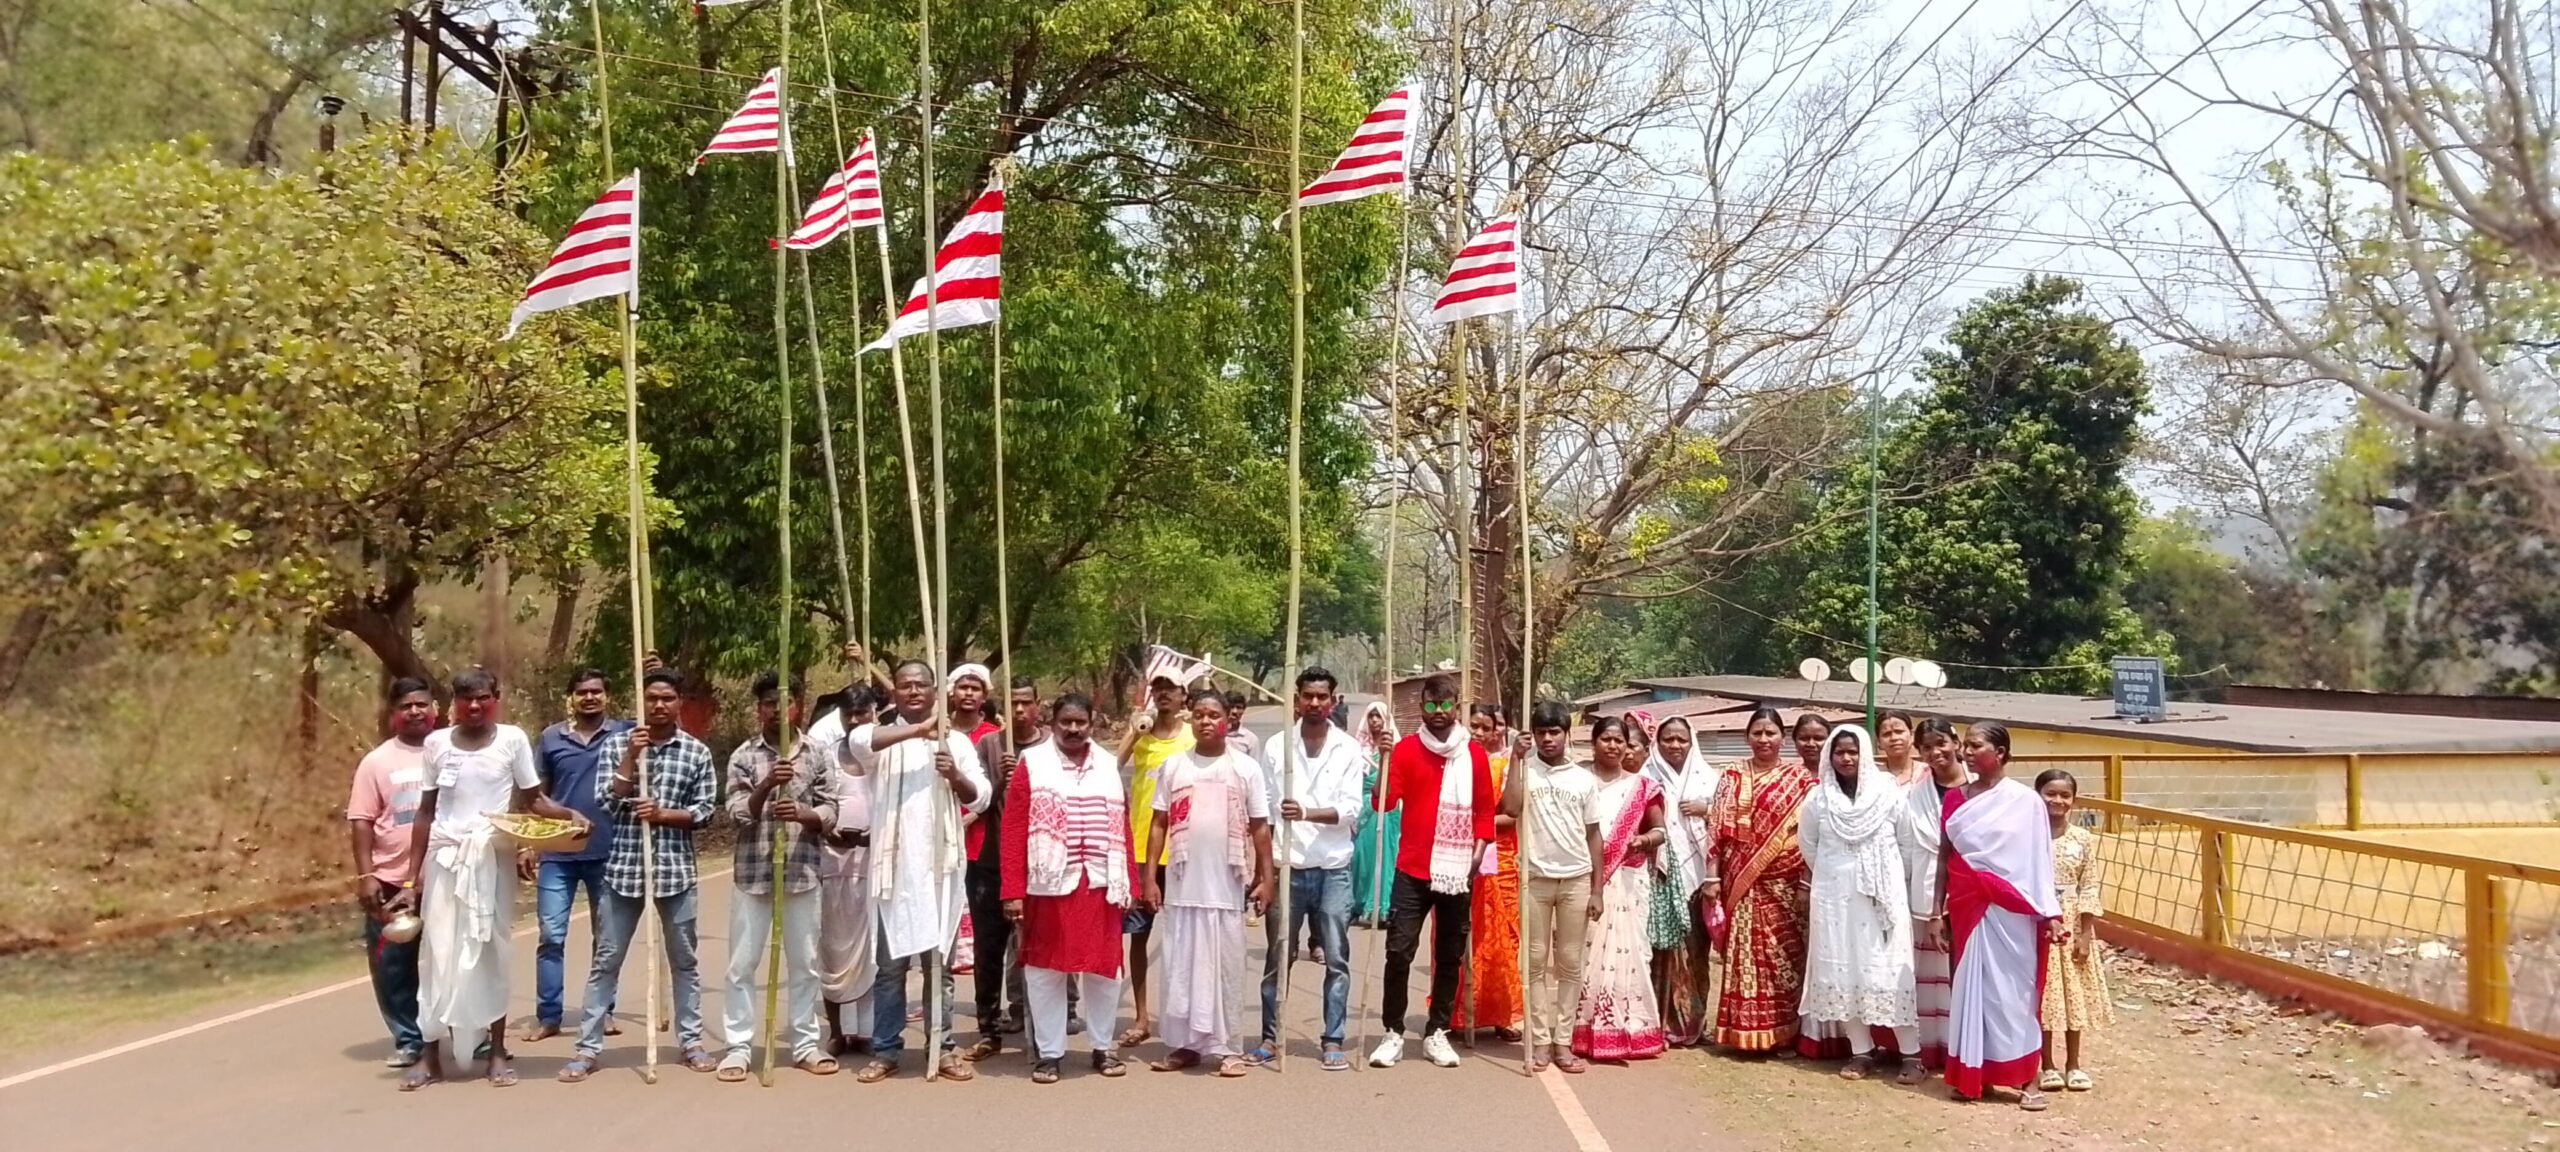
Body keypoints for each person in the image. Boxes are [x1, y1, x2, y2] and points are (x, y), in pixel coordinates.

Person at [387, 668, 588, 1090]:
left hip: (491, 857)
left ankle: (496, 1051)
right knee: (437, 955)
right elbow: (425, 812)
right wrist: (409, 881)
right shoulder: (437, 744)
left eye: (483, 698)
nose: (474, 706)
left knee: (491, 951)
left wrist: (570, 815)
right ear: (454, 703)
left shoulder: (512, 740)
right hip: (445, 860)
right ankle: (430, 1058)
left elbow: (534, 800)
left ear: (496, 698)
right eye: (466, 699)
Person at [556, 666, 719, 1082]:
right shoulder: (618, 744)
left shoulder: (696, 752)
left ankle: (691, 1042)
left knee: (684, 962)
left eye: (667, 698)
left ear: (679, 703)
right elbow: (606, 804)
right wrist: (631, 756)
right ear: (641, 703)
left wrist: (664, 815)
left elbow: (704, 812)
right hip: (624, 872)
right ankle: (587, 1049)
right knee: (606, 961)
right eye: (652, 698)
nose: (659, 705)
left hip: (675, 872)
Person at [846, 660, 990, 1083]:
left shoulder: (956, 743)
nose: (912, 691)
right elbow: (859, 743)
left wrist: (954, 774)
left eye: (920, 685)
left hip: (938, 871)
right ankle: (886, 1050)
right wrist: (919, 731)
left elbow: (981, 797)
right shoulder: (882, 737)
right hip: (892, 873)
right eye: (904, 685)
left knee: (938, 970)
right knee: (890, 969)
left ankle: (942, 1048)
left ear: (934, 691)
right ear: (894, 693)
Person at [1003, 692, 1138, 1083]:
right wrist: (1012, 891)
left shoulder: (1108, 764)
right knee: (1044, 970)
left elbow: (1123, 826)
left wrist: (1129, 881)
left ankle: (1102, 1047)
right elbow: (1013, 829)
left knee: (1104, 971)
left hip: (1101, 883)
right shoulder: (1032, 763)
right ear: (1053, 724)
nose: (1074, 729)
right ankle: (1050, 1053)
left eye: (1081, 722)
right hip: (1047, 883)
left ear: (1092, 724)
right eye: (1066, 722)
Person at [1141, 688, 1273, 1077]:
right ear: (1190, 718)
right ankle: (1185, 1046)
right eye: (1199, 714)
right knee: (1181, 967)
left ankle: (1228, 1049)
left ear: (1228, 720)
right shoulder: (1174, 766)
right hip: (1183, 886)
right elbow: (1159, 824)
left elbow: (1260, 826)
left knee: (1225, 969)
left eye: (1213, 715)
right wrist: (1149, 877)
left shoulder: (1245, 768)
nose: (1206, 721)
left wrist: (1266, 878)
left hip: (1226, 888)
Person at [1367, 673, 1496, 1069]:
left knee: (1450, 954)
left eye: (1445, 705)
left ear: (1456, 707)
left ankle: (1436, 1030)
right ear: (1421, 707)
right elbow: (1383, 803)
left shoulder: (1473, 755)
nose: (1438, 712)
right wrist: (1384, 760)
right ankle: (1393, 1031)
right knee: (1398, 951)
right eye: (1430, 705)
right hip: (1412, 869)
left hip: (1457, 870)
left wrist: (1476, 854)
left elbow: (1485, 811)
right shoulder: (1405, 749)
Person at [717, 671, 840, 1081]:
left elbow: (830, 810)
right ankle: (738, 1047)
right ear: (759, 709)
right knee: (742, 965)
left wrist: (803, 814)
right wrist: (767, 785)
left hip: (801, 873)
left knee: (804, 964)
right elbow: (736, 813)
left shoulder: (817, 753)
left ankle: (804, 1044)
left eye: (784, 702)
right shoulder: (744, 755)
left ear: (798, 706)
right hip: (753, 875)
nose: (776, 710)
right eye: (768, 703)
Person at [1938, 722, 2062, 1110]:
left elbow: (2039, 860)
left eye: (1976, 746)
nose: (1966, 752)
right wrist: (1937, 910)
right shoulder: (1955, 799)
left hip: (2014, 909)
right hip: (1967, 905)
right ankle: (1974, 1076)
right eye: (1965, 745)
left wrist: (2050, 913)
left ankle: (2027, 1078)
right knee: (1972, 990)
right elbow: (1945, 857)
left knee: (2014, 993)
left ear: (2001, 753)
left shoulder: (2026, 802)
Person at [1250, 667, 1367, 1070]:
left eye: (1322, 696)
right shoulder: (1278, 747)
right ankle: (1270, 1037)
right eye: (1308, 696)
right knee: (1278, 957)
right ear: (1296, 699)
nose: (1315, 703)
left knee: (1336, 958)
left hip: (1333, 869)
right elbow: (1263, 814)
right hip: (1288, 867)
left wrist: (1306, 812)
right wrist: (1263, 875)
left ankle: (1333, 1039)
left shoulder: (1347, 749)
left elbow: (1351, 810)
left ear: (1333, 700)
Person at [1797, 724, 1923, 1082]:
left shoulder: (1888, 792)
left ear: (1865, 753)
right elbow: (1809, 846)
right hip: (1834, 899)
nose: (1846, 758)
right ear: (1830, 756)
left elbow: (1907, 844)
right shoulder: (1819, 799)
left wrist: (1884, 879)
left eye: (1853, 751)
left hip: (1883, 898)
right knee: (1843, 970)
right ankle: (1861, 1052)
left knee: (1890, 971)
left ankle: (1911, 1055)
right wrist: (1840, 872)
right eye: (1839, 752)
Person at [519, 669, 633, 1043]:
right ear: (571, 697)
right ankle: (549, 1016)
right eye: (582, 692)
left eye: (596, 691)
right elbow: (536, 795)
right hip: (558, 851)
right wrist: (528, 843)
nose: (589, 697)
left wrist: (652, 675)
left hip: (609, 851)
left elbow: (668, 728)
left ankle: (604, 1011)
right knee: (551, 935)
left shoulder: (625, 733)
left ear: (607, 696)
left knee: (607, 938)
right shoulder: (552, 738)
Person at [1703, 707, 1818, 1053]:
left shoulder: (1801, 779)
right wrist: (1712, 878)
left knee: (1787, 957)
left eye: (1771, 733)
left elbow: (1812, 833)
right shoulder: (1732, 775)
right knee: (1744, 955)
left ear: (1783, 738)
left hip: (1787, 882)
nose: (1764, 739)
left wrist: (1806, 880)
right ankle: (1744, 1031)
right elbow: (1716, 830)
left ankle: (1784, 1031)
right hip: (1741, 879)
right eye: (1757, 733)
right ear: (1747, 737)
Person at [1502, 701, 1598, 1073]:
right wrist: (1516, 758)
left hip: (1575, 879)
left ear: (1565, 734)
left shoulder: (1583, 779)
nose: (1547, 739)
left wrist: (1597, 889)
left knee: (1570, 962)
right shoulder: (1525, 771)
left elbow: (1594, 834)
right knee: (1534, 962)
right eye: (1541, 732)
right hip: (1535, 879)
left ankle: (1563, 1041)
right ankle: (1540, 1040)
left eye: (1554, 732)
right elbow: (1511, 809)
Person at [347, 676, 438, 1069]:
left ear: (435, 709)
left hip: (447, 878)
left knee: (454, 962)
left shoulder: (450, 751)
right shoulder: (377, 762)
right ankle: (409, 1039)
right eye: (405, 706)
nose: (414, 712)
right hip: (390, 880)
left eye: (421, 704)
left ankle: (472, 1037)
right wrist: (366, 876)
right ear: (393, 714)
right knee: (393, 967)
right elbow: (361, 821)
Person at [1572, 715, 1669, 1062]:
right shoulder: (1577, 780)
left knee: (1631, 955)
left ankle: (1631, 1027)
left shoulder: (1642, 788)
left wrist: (1642, 841)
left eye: (1620, 741)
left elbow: (1660, 831)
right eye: (1606, 739)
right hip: (1583, 876)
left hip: (1627, 879)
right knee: (1583, 954)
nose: (1613, 746)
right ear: (1593, 743)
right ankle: (1581, 1029)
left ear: (1628, 746)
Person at [963, 675, 1040, 1062]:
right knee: (988, 950)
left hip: (1039, 866)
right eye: (1013, 703)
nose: (1020, 709)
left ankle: (1038, 1028)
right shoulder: (990, 745)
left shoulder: (1051, 746)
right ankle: (989, 1029)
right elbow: (978, 798)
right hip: (992, 863)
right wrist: (1000, 778)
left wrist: (1024, 777)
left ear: (1038, 706)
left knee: (1037, 950)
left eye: (1026, 702)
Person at [1117, 672, 1194, 1049]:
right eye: (1158, 689)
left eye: (1170, 689)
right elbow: (1111, 766)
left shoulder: (1192, 737)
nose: (1163, 694)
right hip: (1140, 849)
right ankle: (1142, 1016)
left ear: (1183, 696)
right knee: (1138, 936)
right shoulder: (1142, 735)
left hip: (1182, 849)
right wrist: (1132, 733)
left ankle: (1181, 1017)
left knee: (1183, 939)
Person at [1637, 715, 1715, 1046]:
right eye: (1668, 738)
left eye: (1681, 739)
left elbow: (1727, 822)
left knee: (1696, 951)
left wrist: (1706, 809)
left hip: (1699, 875)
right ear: (1657, 742)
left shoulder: (1709, 778)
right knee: (1662, 950)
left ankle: (1695, 1024)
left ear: (1691, 741)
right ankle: (1660, 1022)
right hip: (1659, 873)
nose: (1675, 745)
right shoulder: (1645, 776)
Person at [814, 685, 880, 1057]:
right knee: (831, 949)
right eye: (848, 714)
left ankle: (868, 1031)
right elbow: (815, 803)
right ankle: (837, 1032)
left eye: (861, 713)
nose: (855, 720)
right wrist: (828, 830)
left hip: (876, 866)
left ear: (874, 713)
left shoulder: (885, 756)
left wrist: (873, 836)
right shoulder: (825, 755)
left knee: (871, 953)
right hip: (831, 862)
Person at [1450, 704, 1522, 1042]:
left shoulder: (1504, 766)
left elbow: (1511, 814)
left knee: (1503, 939)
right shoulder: (1451, 762)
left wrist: (1477, 824)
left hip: (1499, 859)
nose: (1478, 733)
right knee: (1456, 936)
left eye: (1485, 727)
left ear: (1496, 731)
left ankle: (1500, 1014)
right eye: (1473, 725)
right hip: (1454, 855)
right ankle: (1456, 1013)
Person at [2036, 768, 2107, 1095]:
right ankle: (2047, 1065)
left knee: (2072, 994)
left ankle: (2074, 1064)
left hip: (2072, 920)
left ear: (2074, 800)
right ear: (2037, 796)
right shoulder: (2028, 836)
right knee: (2045, 996)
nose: (2058, 800)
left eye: (2065, 795)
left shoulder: (2082, 839)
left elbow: (2089, 885)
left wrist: (2085, 933)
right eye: (2050, 793)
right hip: (2038, 920)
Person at [1904, 716, 1970, 1069]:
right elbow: (1905, 847)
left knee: (1968, 974)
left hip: (1973, 893)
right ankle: (1935, 1049)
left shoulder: (1981, 787)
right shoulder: (1914, 796)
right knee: (1931, 979)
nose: (1935, 752)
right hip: (1927, 893)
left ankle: (1969, 1050)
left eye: (1941, 743)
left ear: (1956, 743)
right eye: (1926, 747)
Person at [1348, 701, 1402, 928]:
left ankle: (1381, 908)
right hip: (1364, 808)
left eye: (1378, 716)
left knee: (1384, 857)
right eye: (1371, 716)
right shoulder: (1359, 749)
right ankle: (1357, 905)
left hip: (1386, 808)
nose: (1374, 721)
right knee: (1361, 857)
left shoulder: (1395, 748)